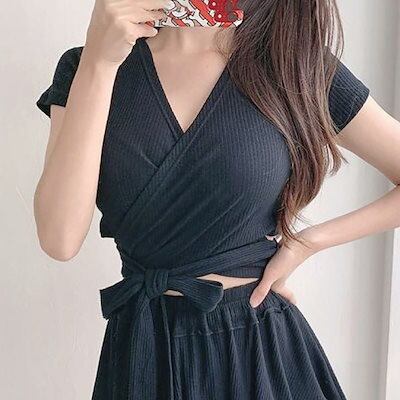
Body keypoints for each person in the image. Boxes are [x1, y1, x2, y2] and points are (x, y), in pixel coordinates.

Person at [34, 0, 400, 399]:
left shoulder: (292, 63)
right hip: (143, 353)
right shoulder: (86, 67)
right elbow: (59, 239)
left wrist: (306, 243)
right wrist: (100, 62)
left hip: (256, 352)